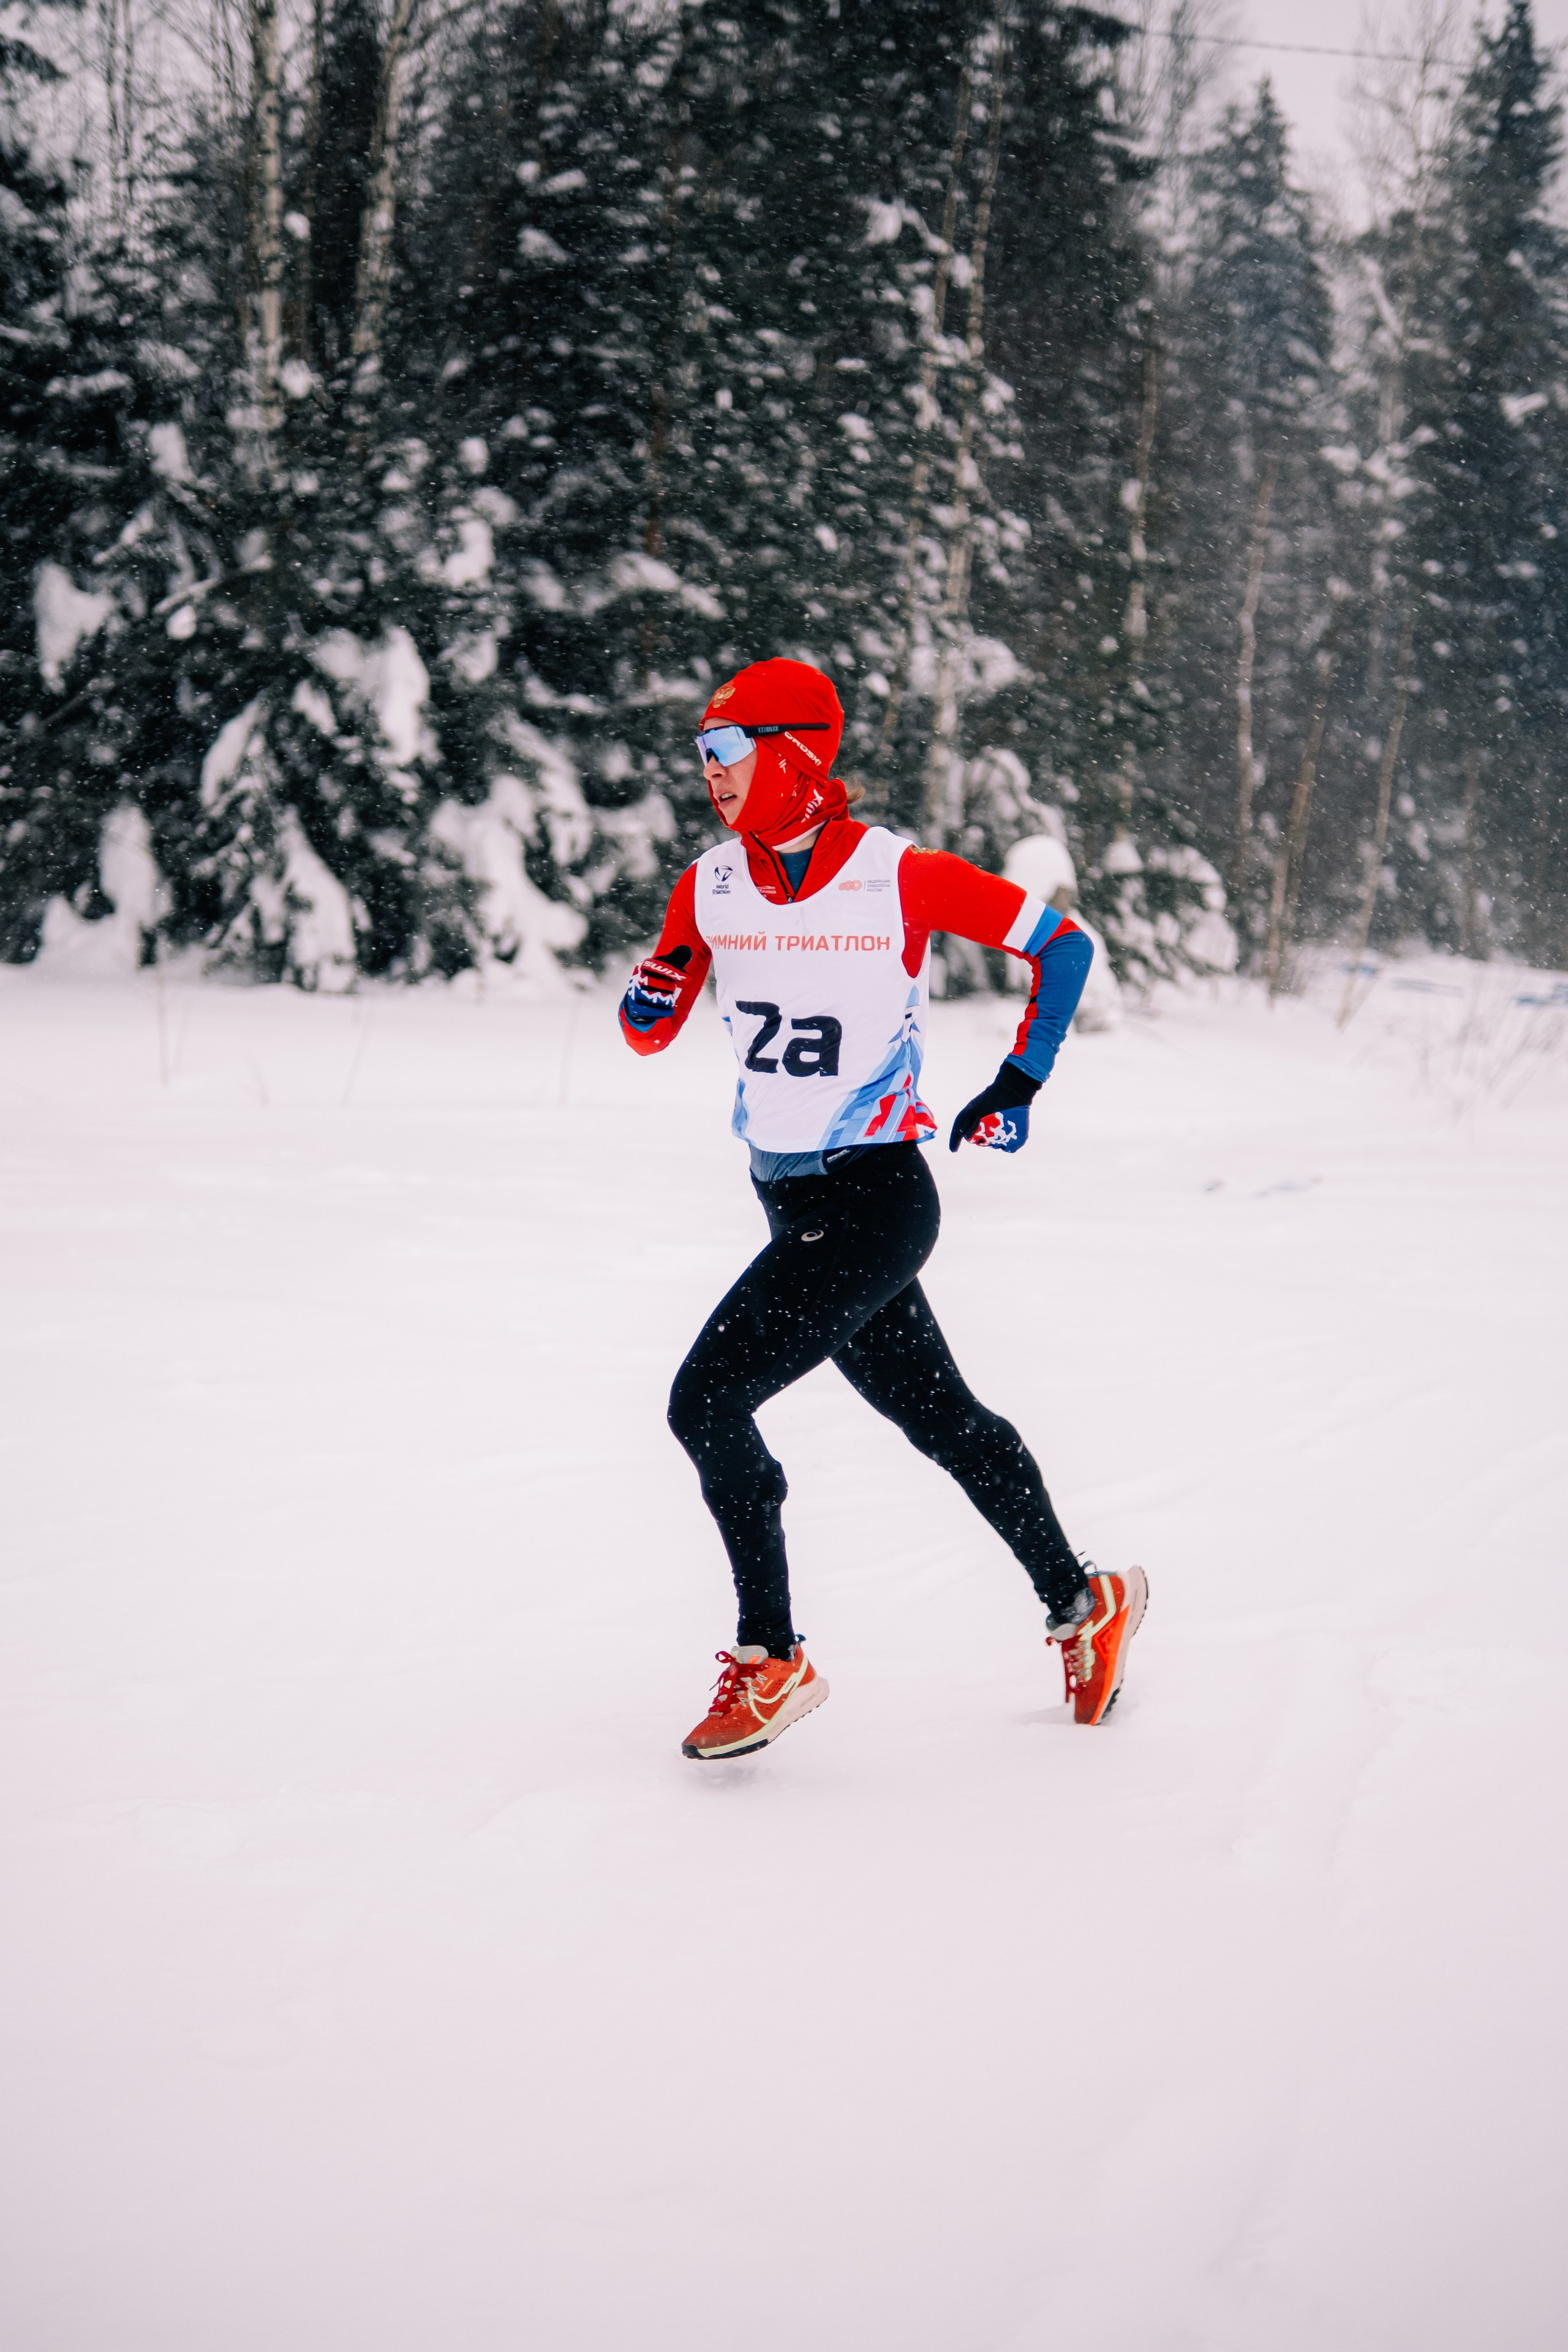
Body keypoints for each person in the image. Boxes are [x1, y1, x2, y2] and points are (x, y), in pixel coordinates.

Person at [619, 657, 1146, 1758]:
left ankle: (772, 1661)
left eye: (726, 753)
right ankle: (1084, 1600)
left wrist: (1019, 1081)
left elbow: (1063, 945)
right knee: (942, 1420)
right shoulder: (709, 885)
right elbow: (650, 1024)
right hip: (785, 1197)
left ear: (796, 753)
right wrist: (653, 993)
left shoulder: (895, 875)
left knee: (707, 1403)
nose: (709, 775)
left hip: (875, 1197)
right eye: (702, 756)